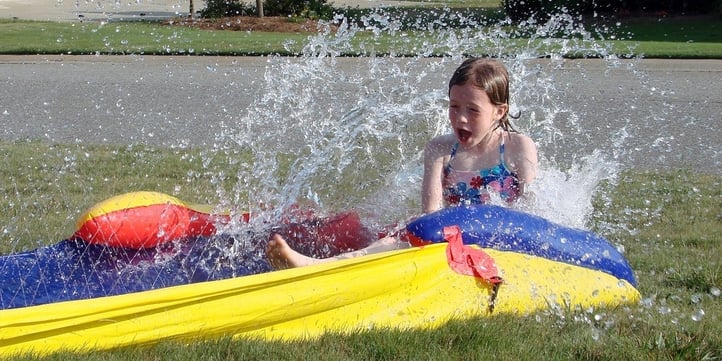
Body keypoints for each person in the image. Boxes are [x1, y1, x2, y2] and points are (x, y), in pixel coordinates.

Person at [266, 58, 538, 269]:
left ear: (499, 111)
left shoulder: (516, 148)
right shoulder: (441, 149)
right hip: (454, 236)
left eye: (473, 110)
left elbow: (531, 210)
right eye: (454, 107)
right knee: (394, 241)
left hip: (499, 239)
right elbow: (431, 212)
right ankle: (314, 265)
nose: (460, 119)